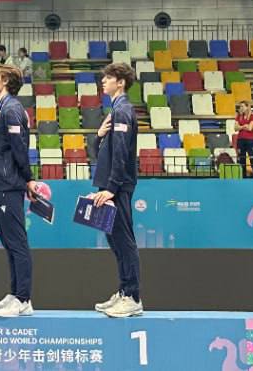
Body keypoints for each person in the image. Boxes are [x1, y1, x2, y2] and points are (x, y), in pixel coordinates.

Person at [0, 62, 41, 318]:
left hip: (9, 185)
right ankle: (14, 293)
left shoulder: (12, 109)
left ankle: (23, 299)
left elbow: (20, 148)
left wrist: (28, 179)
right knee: (9, 243)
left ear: (6, 82)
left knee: (17, 243)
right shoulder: (2, 108)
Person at [90, 61, 143, 318]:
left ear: (120, 83)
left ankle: (132, 297)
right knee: (115, 242)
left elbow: (121, 153)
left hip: (118, 187)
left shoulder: (123, 110)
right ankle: (124, 291)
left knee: (124, 241)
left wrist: (111, 188)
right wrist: (99, 136)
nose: (103, 81)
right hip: (110, 185)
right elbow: (102, 152)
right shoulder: (114, 110)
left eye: (108, 78)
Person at [233, 101, 253, 177]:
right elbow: (235, 128)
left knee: (252, 158)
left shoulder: (252, 116)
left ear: (247, 107)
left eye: (242, 106)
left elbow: (250, 128)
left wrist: (240, 127)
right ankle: (243, 176)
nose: (241, 108)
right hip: (240, 140)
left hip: (250, 140)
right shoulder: (238, 116)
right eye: (240, 106)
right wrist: (244, 126)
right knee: (242, 159)